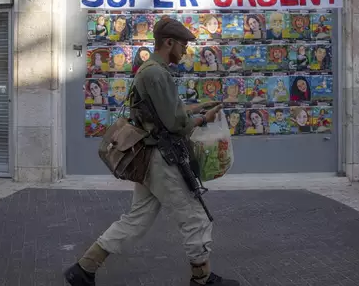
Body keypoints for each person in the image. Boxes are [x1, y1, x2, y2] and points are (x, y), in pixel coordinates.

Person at [64, 17, 240, 286]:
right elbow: (175, 124)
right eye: (182, 46)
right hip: (163, 159)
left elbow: (162, 113)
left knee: (136, 219)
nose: (184, 51)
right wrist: (203, 119)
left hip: (150, 157)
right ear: (168, 43)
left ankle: (84, 268)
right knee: (196, 217)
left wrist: (197, 107)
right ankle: (202, 279)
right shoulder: (157, 73)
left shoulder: (150, 70)